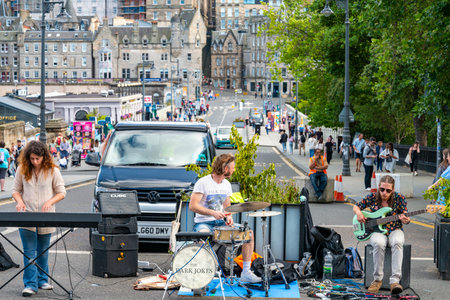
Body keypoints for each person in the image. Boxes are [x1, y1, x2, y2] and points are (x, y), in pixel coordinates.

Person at [189, 154, 261, 283]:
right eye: (232, 167)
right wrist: (212, 212)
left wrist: (229, 218)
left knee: (248, 234)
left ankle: (246, 272)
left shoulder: (226, 185)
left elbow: (227, 208)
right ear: (225, 168)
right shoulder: (203, 182)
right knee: (203, 235)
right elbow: (192, 206)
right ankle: (203, 273)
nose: (234, 170)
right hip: (204, 222)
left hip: (221, 223)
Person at [12, 141, 66, 297]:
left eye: (37, 158)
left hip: (46, 216)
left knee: (43, 251)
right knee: (29, 252)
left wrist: (50, 202)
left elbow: (61, 192)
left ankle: (42, 280)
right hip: (26, 214)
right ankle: (30, 284)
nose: (34, 161)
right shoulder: (22, 169)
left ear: (44, 157)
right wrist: (20, 202)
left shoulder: (53, 170)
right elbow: (15, 190)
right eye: (32, 158)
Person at [353, 175, 409, 294]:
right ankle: (377, 280)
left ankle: (395, 281)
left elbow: (405, 215)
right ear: (378, 187)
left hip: (395, 229)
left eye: (388, 190)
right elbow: (356, 206)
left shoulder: (400, 198)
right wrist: (358, 213)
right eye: (382, 189)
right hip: (376, 231)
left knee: (397, 242)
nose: (384, 193)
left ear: (393, 189)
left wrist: (406, 219)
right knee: (378, 243)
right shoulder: (372, 197)